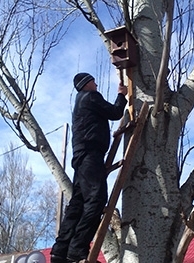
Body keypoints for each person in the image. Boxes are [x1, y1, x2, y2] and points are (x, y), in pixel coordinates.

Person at [51, 73, 128, 263]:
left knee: (78, 203)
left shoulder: (80, 101)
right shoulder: (91, 97)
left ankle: (60, 250)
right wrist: (122, 95)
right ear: (86, 84)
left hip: (81, 156)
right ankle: (77, 249)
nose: (96, 84)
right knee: (96, 200)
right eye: (93, 81)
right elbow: (115, 113)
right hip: (91, 155)